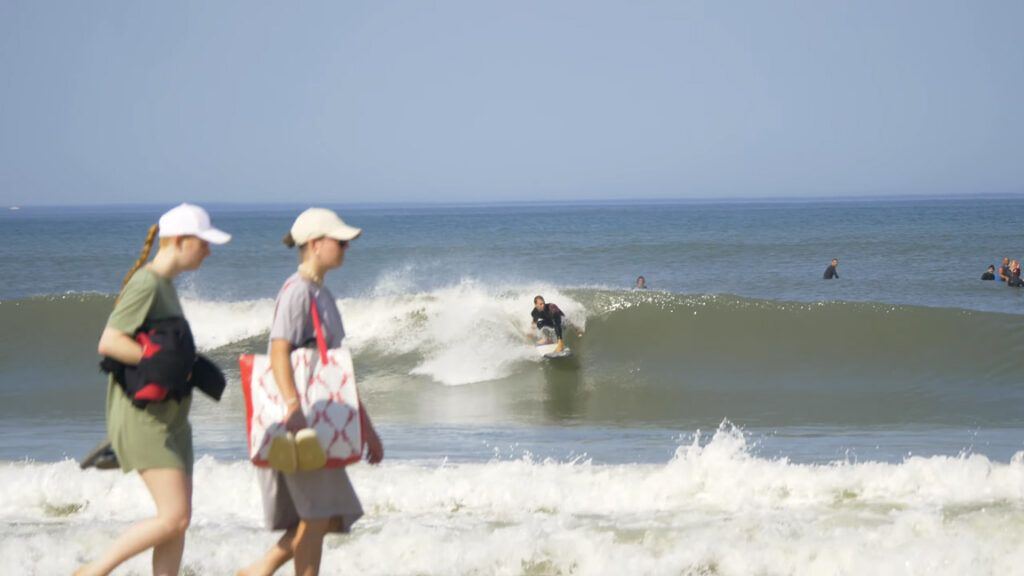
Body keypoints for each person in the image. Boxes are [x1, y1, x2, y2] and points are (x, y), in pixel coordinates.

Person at [75, 203, 231, 576]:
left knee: (177, 520)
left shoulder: (165, 286)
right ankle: (92, 571)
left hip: (174, 421)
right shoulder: (146, 283)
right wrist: (162, 362)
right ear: (178, 241)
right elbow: (110, 342)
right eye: (203, 243)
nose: (208, 251)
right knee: (174, 518)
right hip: (146, 421)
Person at [240, 208, 384, 576]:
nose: (346, 248)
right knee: (319, 515)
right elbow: (278, 351)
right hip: (302, 424)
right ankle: (259, 571)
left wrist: (365, 426)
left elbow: (336, 373)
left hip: (321, 422)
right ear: (314, 244)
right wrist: (293, 409)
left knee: (329, 516)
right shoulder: (297, 292)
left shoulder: (322, 294)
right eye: (340, 241)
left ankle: (257, 571)